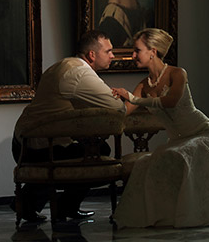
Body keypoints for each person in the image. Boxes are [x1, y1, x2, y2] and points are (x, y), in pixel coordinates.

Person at [111, 28, 209, 228]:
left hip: (205, 133)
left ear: (152, 51)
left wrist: (134, 98)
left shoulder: (177, 73)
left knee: (183, 154)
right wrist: (109, 99)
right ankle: (163, 215)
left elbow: (171, 101)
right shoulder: (143, 85)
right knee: (145, 163)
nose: (133, 55)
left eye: (137, 50)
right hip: (178, 141)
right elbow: (125, 111)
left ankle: (203, 212)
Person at [12, 30, 126, 222]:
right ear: (92, 55)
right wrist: (129, 98)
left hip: (25, 141)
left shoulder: (65, 65)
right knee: (98, 150)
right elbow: (117, 108)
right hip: (37, 146)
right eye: (108, 51)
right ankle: (62, 206)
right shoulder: (79, 73)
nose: (113, 56)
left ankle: (31, 203)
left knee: (91, 146)